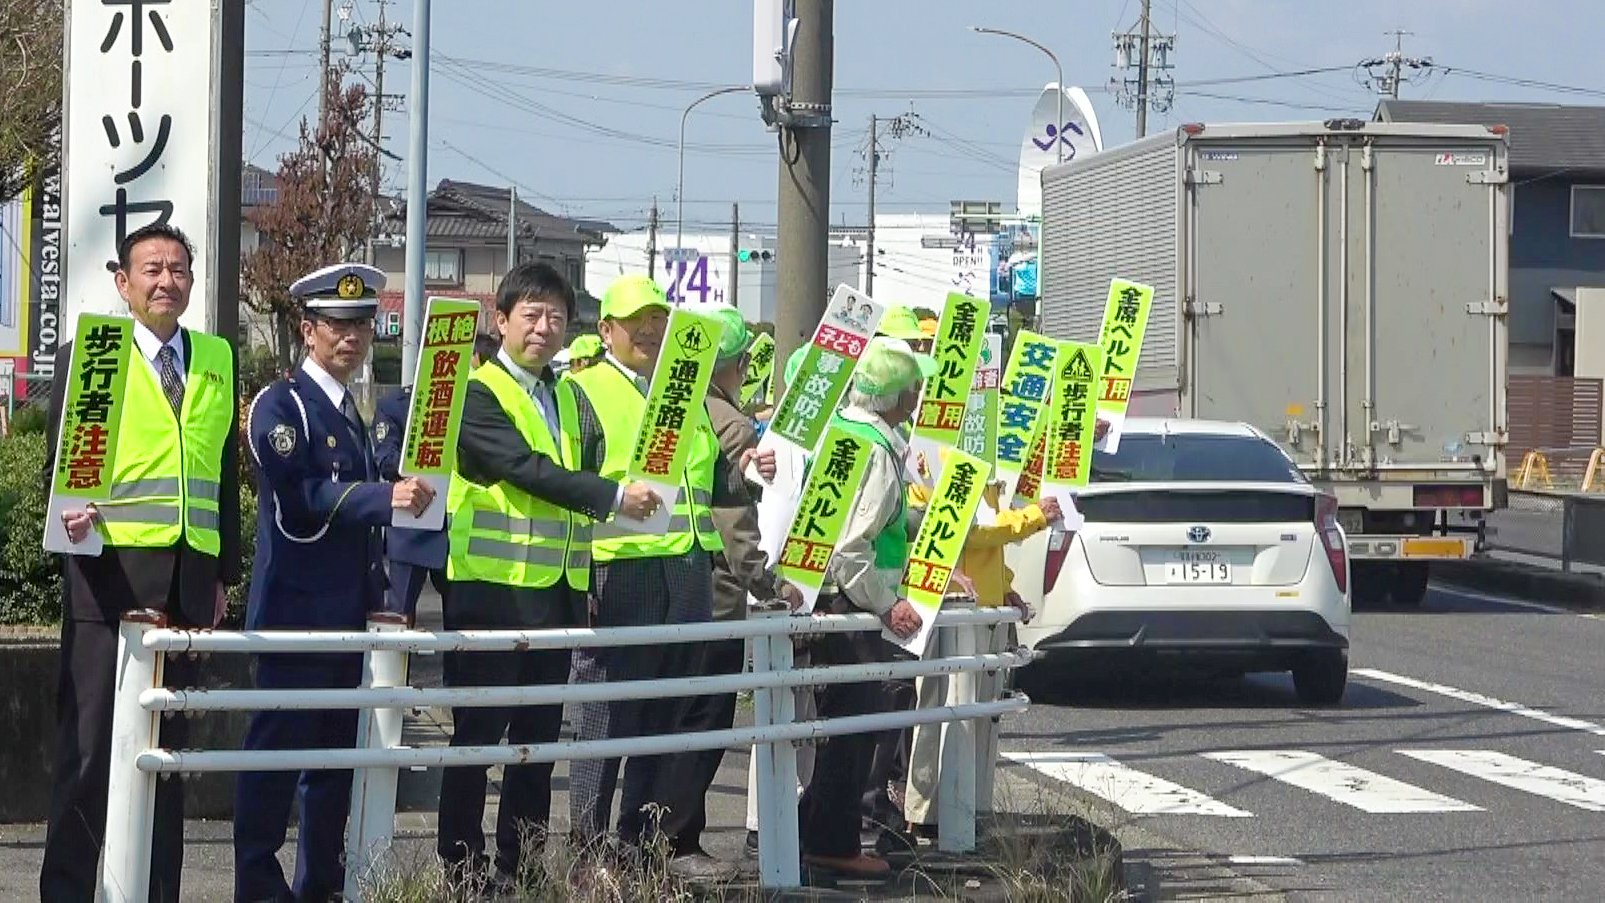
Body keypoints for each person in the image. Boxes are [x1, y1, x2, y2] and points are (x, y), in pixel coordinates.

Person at [435, 264, 657, 889]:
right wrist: (613, 497)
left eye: (556, 316)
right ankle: (460, 870)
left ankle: (523, 868)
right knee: (478, 739)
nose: (544, 326)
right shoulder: (478, 394)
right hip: (491, 592)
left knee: (535, 742)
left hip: (557, 593)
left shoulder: (565, 393)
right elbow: (525, 469)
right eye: (530, 314)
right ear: (500, 321)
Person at [39, 223, 241, 903]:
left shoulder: (215, 355)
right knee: (90, 754)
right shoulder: (93, 354)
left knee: (166, 759)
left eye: (179, 269)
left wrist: (222, 573)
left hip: (186, 588)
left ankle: (159, 894)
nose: (167, 281)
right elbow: (59, 471)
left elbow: (221, 470)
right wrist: (68, 513)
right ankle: (67, 892)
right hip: (106, 583)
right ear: (122, 283)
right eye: (151, 269)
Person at [233, 263, 436, 902]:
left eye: (361, 325)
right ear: (306, 329)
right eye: (336, 326)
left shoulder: (351, 406)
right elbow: (302, 498)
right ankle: (259, 888)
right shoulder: (283, 403)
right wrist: (386, 497)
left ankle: (319, 885)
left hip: (346, 613)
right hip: (293, 610)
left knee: (331, 769)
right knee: (274, 759)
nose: (350, 338)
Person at [563, 276, 774, 877]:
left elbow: (710, 483)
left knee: (666, 718)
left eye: (658, 320)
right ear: (606, 330)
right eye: (636, 322)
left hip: (685, 571)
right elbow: (568, 481)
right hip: (618, 570)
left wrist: (749, 462)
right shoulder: (582, 390)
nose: (651, 332)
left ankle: (639, 850)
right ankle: (586, 853)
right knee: (607, 716)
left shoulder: (681, 392)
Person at [655, 305, 801, 877]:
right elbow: (735, 523)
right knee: (705, 719)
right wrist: (768, 582)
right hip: (716, 594)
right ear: (735, 366)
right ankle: (677, 843)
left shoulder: (669, 409)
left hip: (661, 584)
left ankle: (648, 839)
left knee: (662, 719)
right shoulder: (731, 425)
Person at [798, 336, 935, 878]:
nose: (919, 396)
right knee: (851, 732)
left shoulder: (842, 434)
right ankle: (832, 844)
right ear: (898, 395)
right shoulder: (877, 450)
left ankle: (817, 834)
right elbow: (853, 545)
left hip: (827, 598)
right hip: (854, 606)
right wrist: (888, 604)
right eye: (914, 387)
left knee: (840, 729)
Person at [901, 480, 1062, 839]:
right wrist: (1033, 516)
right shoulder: (940, 453)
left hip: (983, 605)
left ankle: (968, 811)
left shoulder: (985, 452)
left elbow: (984, 540)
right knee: (944, 712)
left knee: (978, 716)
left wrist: (1004, 584)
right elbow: (965, 529)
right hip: (948, 604)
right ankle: (927, 816)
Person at [372, 332, 501, 617]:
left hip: (460, 531)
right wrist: (427, 455)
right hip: (412, 528)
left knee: (464, 629)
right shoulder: (395, 405)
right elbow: (386, 460)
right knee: (398, 622)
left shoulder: (473, 406)